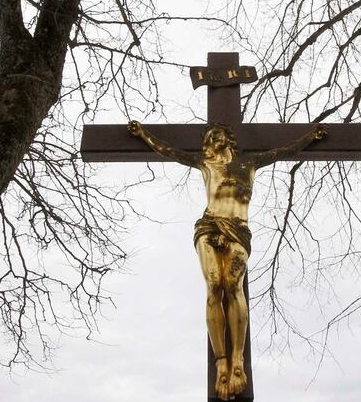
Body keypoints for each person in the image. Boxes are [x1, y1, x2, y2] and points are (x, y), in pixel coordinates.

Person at [127, 121, 328, 400]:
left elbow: (285, 150)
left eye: (216, 134)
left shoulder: (250, 163)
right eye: (209, 137)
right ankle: (221, 360)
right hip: (209, 227)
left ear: (228, 138)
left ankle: (237, 361)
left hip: (238, 229)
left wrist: (309, 138)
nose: (213, 138)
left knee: (233, 285)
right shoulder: (205, 165)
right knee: (214, 286)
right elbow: (169, 151)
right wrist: (144, 135)